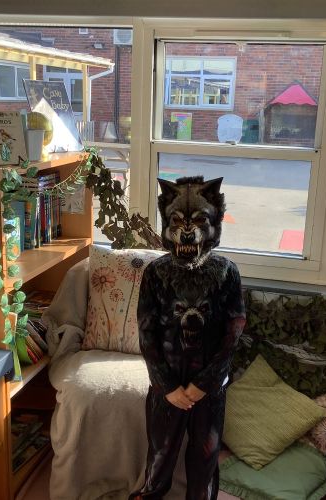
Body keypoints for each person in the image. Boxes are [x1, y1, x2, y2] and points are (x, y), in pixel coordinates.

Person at [130, 176, 246, 500]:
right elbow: (146, 331)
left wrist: (205, 383)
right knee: (159, 457)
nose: (186, 230)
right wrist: (167, 386)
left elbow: (233, 331)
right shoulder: (155, 273)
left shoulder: (227, 271)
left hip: (210, 386)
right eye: (178, 221)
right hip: (166, 384)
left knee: (205, 460)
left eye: (198, 221)